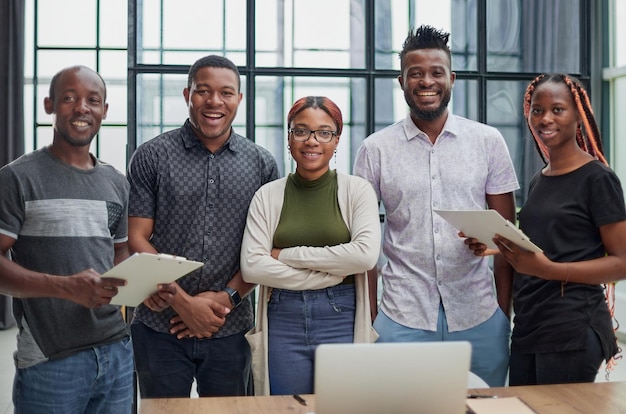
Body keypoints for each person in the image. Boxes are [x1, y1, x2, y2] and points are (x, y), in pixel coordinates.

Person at [353, 25, 519, 387]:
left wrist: (502, 314)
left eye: (435, 72)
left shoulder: (488, 142)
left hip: (479, 315)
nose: (426, 81)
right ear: (401, 81)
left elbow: (508, 237)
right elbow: (363, 244)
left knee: (483, 410)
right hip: (400, 316)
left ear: (452, 79)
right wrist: (371, 317)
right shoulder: (375, 150)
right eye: (416, 73)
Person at [127, 54, 279, 398]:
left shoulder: (262, 164)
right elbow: (137, 237)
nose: (214, 101)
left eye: (226, 93)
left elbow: (263, 249)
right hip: (158, 325)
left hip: (229, 327)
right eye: (203, 91)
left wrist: (225, 298)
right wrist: (183, 302)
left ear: (239, 99)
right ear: (187, 95)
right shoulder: (152, 156)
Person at [465, 73, 626, 385]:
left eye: (557, 109)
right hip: (529, 326)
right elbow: (549, 244)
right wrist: (494, 246)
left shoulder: (598, 179)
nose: (545, 118)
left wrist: (550, 270)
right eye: (537, 110)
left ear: (579, 117)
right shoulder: (540, 178)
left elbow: (621, 263)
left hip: (572, 327)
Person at [0, 65, 134, 413]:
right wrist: (65, 287)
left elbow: (120, 253)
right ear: (49, 105)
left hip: (116, 352)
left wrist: (141, 288)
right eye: (69, 98)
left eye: (93, 100)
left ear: (105, 110)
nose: (81, 108)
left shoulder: (116, 182)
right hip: (50, 360)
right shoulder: (17, 178)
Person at [240, 96, 381, 395]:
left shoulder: (358, 191)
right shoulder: (267, 196)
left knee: (342, 406)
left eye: (323, 132)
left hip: (341, 314)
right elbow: (252, 266)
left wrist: (285, 255)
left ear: (336, 139)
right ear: (289, 137)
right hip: (282, 315)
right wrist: (326, 275)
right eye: (301, 131)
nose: (311, 141)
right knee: (286, 407)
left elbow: (365, 255)